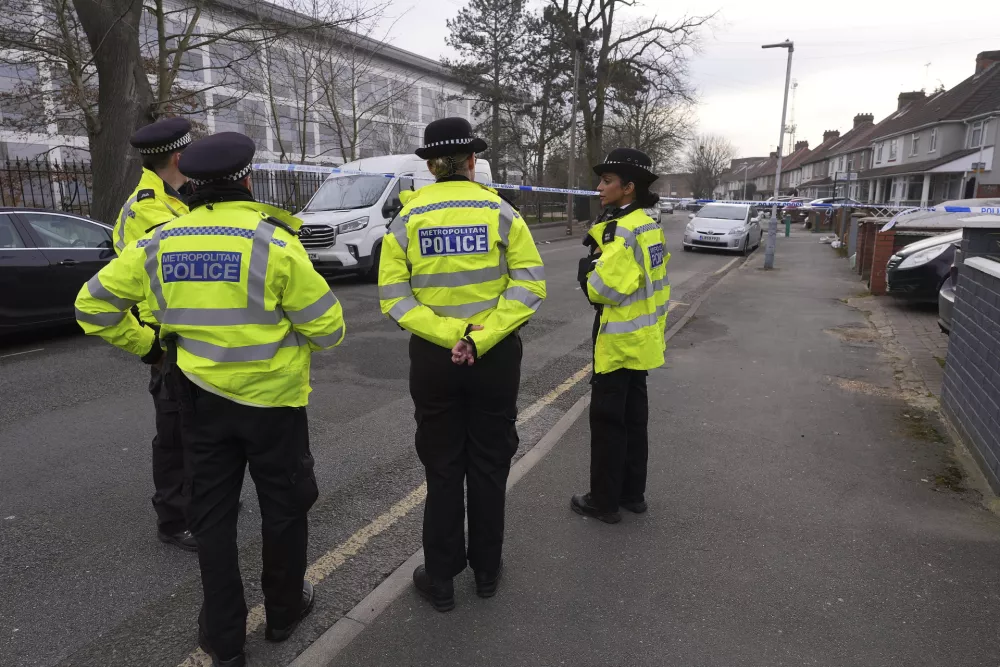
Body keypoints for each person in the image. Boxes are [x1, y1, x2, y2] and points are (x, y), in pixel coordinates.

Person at [75, 132, 346, 667]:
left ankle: (224, 638)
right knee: (284, 509)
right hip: (273, 406)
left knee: (214, 519)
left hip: (198, 402)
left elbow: (92, 306)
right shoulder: (274, 242)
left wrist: (150, 347)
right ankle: (284, 612)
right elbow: (329, 330)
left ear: (193, 183)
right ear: (247, 179)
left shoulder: (158, 242)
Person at [378, 117, 546, 612]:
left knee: (443, 466)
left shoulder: (406, 220)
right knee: (490, 466)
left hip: (434, 358)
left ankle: (443, 578)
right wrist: (480, 337)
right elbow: (530, 285)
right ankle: (488, 571)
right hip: (493, 357)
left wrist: (451, 336)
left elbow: (394, 296)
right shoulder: (502, 213)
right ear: (472, 161)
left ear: (430, 164)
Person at [571, 148, 670, 525]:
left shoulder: (622, 230)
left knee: (608, 423)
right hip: (644, 337)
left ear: (628, 188)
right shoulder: (649, 222)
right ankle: (632, 494)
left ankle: (604, 502)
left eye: (607, 181)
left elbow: (601, 291)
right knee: (633, 421)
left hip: (617, 338)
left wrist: (588, 266)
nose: (599, 188)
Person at [114, 117, 196, 551]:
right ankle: (174, 519)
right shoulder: (151, 208)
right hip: (165, 338)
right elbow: (151, 284)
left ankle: (194, 501)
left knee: (193, 424)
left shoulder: (171, 199)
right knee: (174, 433)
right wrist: (155, 348)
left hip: (179, 334)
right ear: (180, 157)